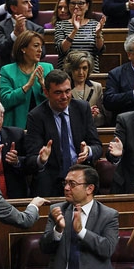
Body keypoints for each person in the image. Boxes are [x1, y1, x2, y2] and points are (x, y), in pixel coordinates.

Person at [25, 69, 102, 197]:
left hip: (80, 179)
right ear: (46, 92)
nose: (64, 97)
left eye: (67, 91)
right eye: (58, 93)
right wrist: (41, 159)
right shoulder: (36, 116)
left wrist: (88, 151)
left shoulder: (82, 109)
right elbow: (31, 158)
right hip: (52, 179)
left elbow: (98, 147)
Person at [39, 164, 119, 269]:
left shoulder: (108, 215)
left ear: (89, 189)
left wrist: (81, 232)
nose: (66, 188)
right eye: (65, 183)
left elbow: (107, 249)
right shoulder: (57, 210)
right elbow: (44, 248)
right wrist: (58, 230)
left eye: (72, 184)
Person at [0, 30, 53, 129]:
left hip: (44, 125)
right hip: (16, 126)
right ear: (23, 49)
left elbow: (55, 100)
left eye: (41, 46)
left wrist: (43, 85)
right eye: (36, 46)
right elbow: (5, 101)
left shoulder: (47, 68)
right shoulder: (7, 71)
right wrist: (27, 86)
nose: (40, 50)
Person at [54, 0, 106, 73]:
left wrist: (97, 34)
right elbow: (61, 50)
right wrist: (74, 31)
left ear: (87, 5)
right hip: (67, 75)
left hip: (90, 73)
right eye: (73, 3)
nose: (76, 6)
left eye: (81, 3)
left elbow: (100, 51)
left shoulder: (95, 24)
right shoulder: (61, 25)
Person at [0, 0, 44, 73]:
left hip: (32, 71)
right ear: (13, 8)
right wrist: (15, 34)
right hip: (7, 72)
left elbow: (43, 53)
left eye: (30, 2)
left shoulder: (37, 29)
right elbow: (1, 50)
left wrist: (25, 35)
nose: (31, 6)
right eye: (25, 2)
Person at [64, 50, 109, 127]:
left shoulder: (96, 87)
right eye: (77, 68)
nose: (81, 72)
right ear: (70, 69)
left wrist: (95, 115)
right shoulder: (65, 88)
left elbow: (104, 118)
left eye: (84, 68)